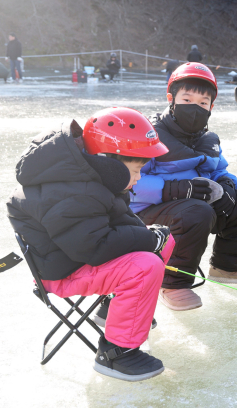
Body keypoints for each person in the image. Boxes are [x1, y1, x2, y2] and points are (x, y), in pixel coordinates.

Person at [6, 107, 174, 382]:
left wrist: (153, 237)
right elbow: (94, 247)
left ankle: (115, 309)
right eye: (135, 170)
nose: (139, 177)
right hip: (64, 273)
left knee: (163, 241)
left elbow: (118, 225)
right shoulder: (72, 192)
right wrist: (146, 239)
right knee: (145, 266)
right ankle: (116, 354)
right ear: (109, 162)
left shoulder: (91, 179)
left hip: (81, 258)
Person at [131, 62, 237, 311]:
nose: (195, 108)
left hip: (192, 208)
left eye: (203, 103)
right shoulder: (149, 134)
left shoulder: (208, 139)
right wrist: (173, 189)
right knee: (197, 212)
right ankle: (173, 283)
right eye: (187, 99)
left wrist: (226, 186)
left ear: (211, 107)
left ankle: (226, 266)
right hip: (146, 212)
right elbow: (128, 182)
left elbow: (219, 170)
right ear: (171, 99)